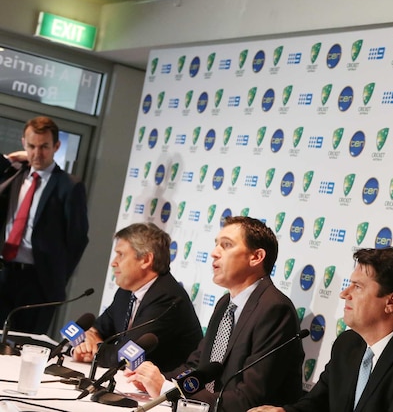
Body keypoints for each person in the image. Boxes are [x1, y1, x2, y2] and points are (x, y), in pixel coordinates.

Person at [248, 247, 393, 412]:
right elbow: (316, 405)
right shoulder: (347, 345)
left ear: (392, 301)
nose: (344, 294)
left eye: (358, 287)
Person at [127, 216, 304, 411]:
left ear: (256, 257)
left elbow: (250, 399)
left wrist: (165, 389)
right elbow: (196, 366)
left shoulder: (275, 310)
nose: (214, 253)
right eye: (216, 244)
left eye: (226, 245)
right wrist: (157, 380)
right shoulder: (225, 304)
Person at [0, 116, 89, 334]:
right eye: (31, 146)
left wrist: (57, 277)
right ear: (23, 143)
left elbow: (77, 239)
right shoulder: (12, 173)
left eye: (44, 147)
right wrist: (13, 159)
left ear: (56, 146)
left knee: (24, 344)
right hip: (3, 272)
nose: (37, 154)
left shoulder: (69, 186)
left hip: (38, 283)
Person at [71, 223, 201, 370]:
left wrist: (94, 350)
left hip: (167, 387)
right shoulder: (126, 292)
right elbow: (99, 328)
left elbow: (126, 355)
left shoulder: (168, 298)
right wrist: (87, 338)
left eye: (121, 254)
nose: (113, 263)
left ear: (145, 260)